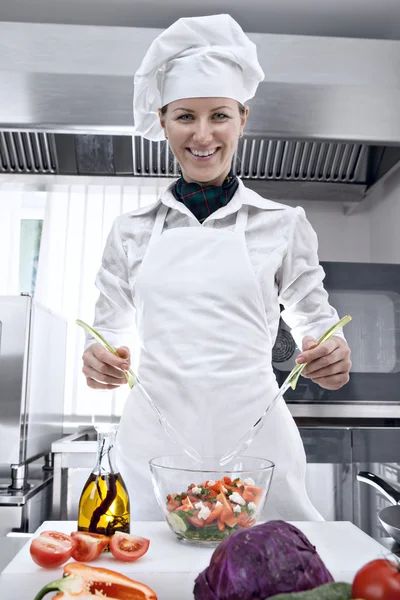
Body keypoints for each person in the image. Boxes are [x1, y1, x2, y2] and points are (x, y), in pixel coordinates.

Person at [82, 14, 351, 521]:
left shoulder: (283, 225)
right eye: (185, 116)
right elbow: (104, 332)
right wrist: (98, 362)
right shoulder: (131, 231)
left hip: (257, 444)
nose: (202, 135)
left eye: (219, 115)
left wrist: (331, 356)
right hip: (152, 446)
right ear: (162, 121)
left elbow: (319, 324)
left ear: (243, 119)